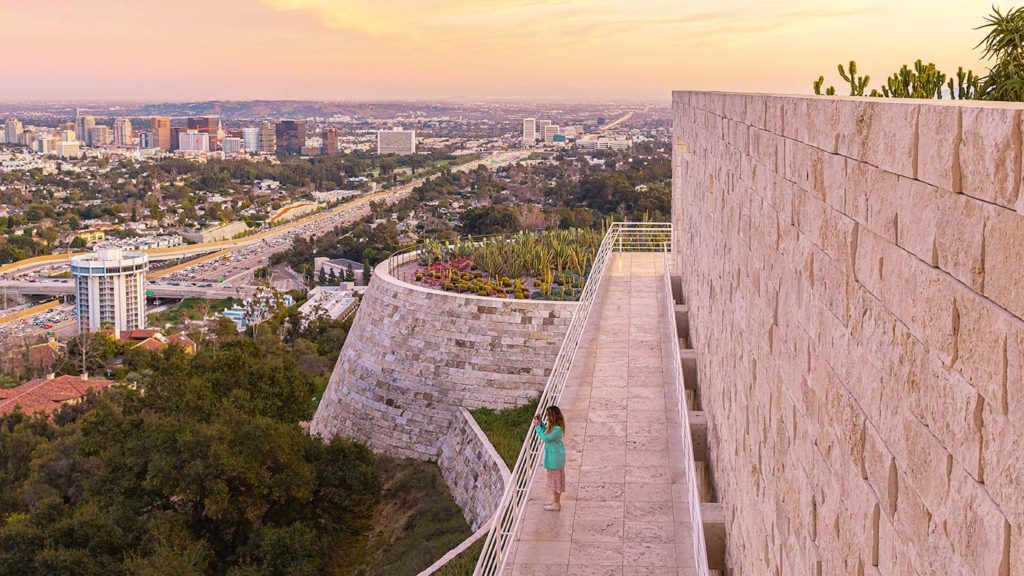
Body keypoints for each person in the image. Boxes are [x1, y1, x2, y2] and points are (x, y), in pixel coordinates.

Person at [533, 405, 566, 512]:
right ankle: (555, 501)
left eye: (547, 416)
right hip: (555, 458)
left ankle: (557, 504)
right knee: (555, 481)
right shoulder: (554, 427)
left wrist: (537, 427)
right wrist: (541, 424)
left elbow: (546, 438)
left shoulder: (557, 429)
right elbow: (546, 432)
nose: (547, 418)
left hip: (555, 460)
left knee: (555, 482)